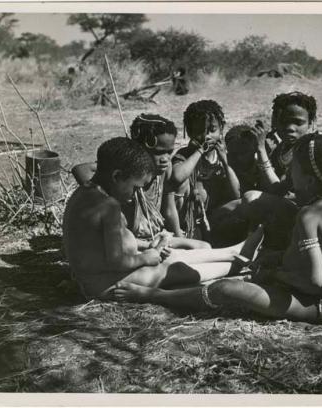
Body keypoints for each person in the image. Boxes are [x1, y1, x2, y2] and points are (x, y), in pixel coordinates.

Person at [112, 134, 322, 325]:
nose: (289, 171)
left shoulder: (309, 216)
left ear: (310, 180)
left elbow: (314, 281)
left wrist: (275, 274)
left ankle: (154, 295)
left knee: (227, 289)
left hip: (320, 307)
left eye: (294, 169)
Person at [63, 137, 265, 300]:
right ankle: (234, 265)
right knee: (172, 270)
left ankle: (235, 252)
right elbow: (117, 262)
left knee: (174, 257)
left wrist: (148, 246)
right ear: (117, 176)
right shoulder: (109, 206)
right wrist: (146, 257)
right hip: (102, 283)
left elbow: (103, 244)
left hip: (94, 276)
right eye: (135, 187)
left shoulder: (84, 193)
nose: (135, 195)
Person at [71, 114, 210, 250]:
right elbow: (81, 169)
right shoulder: (126, 176)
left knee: (203, 247)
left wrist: (180, 238)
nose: (165, 159)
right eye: (158, 152)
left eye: (169, 152)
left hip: (157, 238)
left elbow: (169, 209)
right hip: (132, 242)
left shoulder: (164, 171)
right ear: (140, 149)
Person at [211, 91, 318, 248]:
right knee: (221, 212)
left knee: (250, 198)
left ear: (312, 123)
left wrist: (261, 149)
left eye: (298, 122)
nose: (290, 128)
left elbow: (278, 190)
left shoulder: (310, 148)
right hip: (282, 206)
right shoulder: (282, 148)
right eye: (285, 121)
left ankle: (252, 245)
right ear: (276, 121)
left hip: (304, 211)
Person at [169, 100, 241, 241]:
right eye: (198, 132)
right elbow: (177, 177)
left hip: (216, 217)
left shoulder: (224, 156)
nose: (206, 136)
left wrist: (226, 163)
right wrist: (199, 152)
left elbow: (237, 194)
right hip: (191, 221)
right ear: (189, 132)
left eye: (212, 130)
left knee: (242, 205)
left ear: (222, 127)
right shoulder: (185, 155)